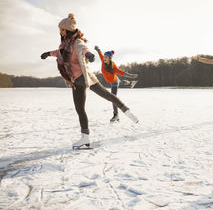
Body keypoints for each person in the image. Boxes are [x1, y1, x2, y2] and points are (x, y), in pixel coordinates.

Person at [40, 13, 139, 148]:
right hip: (75, 82)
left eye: (62, 29)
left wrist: (89, 54)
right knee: (80, 109)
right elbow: (58, 52)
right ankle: (85, 138)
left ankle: (128, 113)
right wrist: (47, 53)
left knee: (108, 96)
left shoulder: (77, 42)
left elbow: (83, 49)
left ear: (67, 30)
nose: (60, 32)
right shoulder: (64, 45)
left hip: (86, 78)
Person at [94, 46, 138, 123]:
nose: (104, 58)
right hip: (114, 80)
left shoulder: (113, 67)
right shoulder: (102, 61)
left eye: (106, 57)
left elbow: (122, 72)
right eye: (104, 57)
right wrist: (98, 50)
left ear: (110, 59)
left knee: (113, 98)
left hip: (114, 82)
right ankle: (131, 83)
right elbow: (100, 54)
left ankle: (116, 115)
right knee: (121, 82)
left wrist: (131, 75)